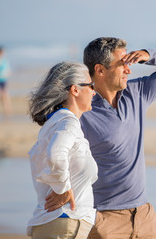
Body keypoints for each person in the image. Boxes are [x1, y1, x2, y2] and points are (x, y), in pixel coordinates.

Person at [46, 37, 156, 238]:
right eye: (122, 65)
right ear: (100, 70)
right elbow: (56, 150)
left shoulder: (137, 92)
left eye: (129, 64)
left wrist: (148, 55)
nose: (129, 70)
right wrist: (62, 187)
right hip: (104, 220)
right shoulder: (82, 109)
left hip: (143, 215)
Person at [27, 61, 98, 239]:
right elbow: (56, 154)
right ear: (75, 90)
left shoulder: (54, 123)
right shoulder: (68, 122)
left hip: (56, 224)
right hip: (65, 224)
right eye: (91, 86)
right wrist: (63, 189)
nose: (94, 92)